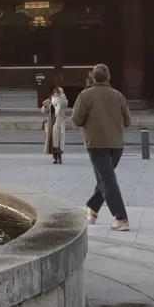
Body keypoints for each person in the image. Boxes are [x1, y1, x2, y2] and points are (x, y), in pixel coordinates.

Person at [71, 64, 130, 230]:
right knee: (105, 178)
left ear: (92, 77)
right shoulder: (118, 96)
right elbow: (127, 121)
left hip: (96, 143)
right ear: (109, 77)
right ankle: (92, 209)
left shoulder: (86, 95)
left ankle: (121, 218)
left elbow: (76, 119)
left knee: (107, 179)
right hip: (117, 144)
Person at [42, 86, 69, 164]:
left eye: (58, 92)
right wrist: (45, 106)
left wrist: (62, 96)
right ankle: (55, 158)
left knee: (59, 140)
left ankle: (59, 157)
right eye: (55, 92)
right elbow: (44, 110)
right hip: (51, 120)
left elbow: (65, 104)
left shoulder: (62, 100)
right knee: (52, 140)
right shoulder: (50, 100)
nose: (56, 94)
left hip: (59, 121)